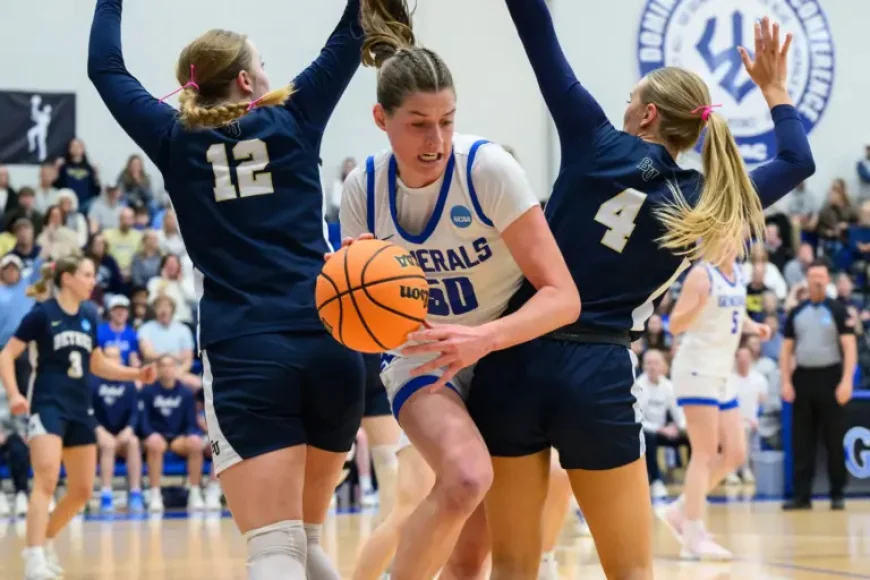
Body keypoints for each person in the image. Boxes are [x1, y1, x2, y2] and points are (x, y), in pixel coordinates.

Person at [463, 3, 816, 577]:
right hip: (596, 372)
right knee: (630, 572)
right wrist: (774, 89)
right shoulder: (708, 201)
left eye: (630, 97)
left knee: (512, 567)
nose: (623, 103)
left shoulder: (591, 137)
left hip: (515, 357)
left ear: (647, 114)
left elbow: (534, 25)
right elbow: (798, 160)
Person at [88, 0, 383, 577]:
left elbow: (106, 69)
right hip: (332, 341)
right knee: (306, 539)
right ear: (246, 80)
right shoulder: (296, 114)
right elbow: (351, 33)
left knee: (276, 548)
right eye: (263, 65)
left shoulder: (173, 137)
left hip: (247, 348)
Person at [340, 2, 580, 577]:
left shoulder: (489, 171)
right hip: (423, 356)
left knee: (472, 558)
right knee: (466, 476)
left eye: (447, 119)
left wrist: (484, 340)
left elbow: (562, 295)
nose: (437, 137)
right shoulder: (362, 191)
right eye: (419, 122)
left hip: (505, 350)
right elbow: (355, 307)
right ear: (382, 118)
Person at [0, 256, 155, 580]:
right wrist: (14, 394)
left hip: (81, 408)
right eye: (86, 275)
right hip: (47, 405)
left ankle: (44, 540)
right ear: (67, 278)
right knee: (45, 480)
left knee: (83, 491)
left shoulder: (89, 314)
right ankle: (33, 558)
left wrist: (135, 373)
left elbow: (97, 364)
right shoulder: (42, 314)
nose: (92, 281)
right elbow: (7, 354)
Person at [663, 250, 771, 560]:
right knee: (705, 453)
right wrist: (697, 305)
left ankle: (682, 509)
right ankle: (692, 537)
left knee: (736, 453)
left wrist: (754, 327)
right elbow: (674, 325)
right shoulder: (702, 275)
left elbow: (735, 312)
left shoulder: (737, 271)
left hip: (721, 374)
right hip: (697, 369)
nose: (738, 237)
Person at [780, 259, 856, 511]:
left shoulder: (838, 310)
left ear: (828, 279)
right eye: (813, 276)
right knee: (802, 441)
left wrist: (846, 381)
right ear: (807, 279)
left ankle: (837, 493)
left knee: (835, 440)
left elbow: (849, 347)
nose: (818, 280)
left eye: (822, 276)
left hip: (831, 379)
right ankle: (802, 496)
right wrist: (786, 381)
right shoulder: (797, 311)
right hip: (803, 379)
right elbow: (787, 349)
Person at [90, 345, 143, 513]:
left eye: (116, 357)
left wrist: (129, 429)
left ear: (121, 360)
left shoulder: (129, 384)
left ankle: (135, 493)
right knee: (108, 445)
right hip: (99, 435)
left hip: (121, 434)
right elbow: (87, 411)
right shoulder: (92, 382)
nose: (113, 361)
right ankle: (106, 494)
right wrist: (99, 431)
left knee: (134, 442)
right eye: (108, 357)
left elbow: (135, 411)